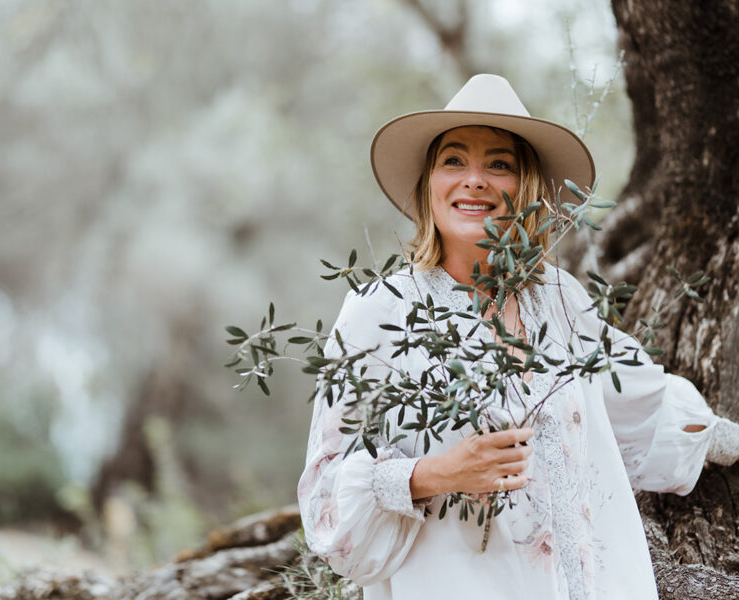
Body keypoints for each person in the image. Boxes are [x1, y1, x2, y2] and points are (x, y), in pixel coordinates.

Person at [297, 74, 739, 600]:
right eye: (453, 161)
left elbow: (640, 402)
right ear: (429, 184)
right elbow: (326, 500)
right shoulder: (379, 312)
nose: (474, 180)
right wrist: (437, 473)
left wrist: (728, 440)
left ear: (525, 190)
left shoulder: (558, 297)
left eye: (499, 165)